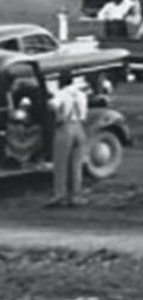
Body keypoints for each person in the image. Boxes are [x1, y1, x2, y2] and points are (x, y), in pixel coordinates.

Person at [48, 75, 90, 207]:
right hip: (79, 127)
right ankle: (76, 195)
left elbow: (52, 105)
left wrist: (59, 116)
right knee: (76, 165)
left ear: (61, 82)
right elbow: (84, 115)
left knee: (61, 164)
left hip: (65, 127)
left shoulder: (62, 93)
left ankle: (60, 195)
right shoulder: (81, 95)